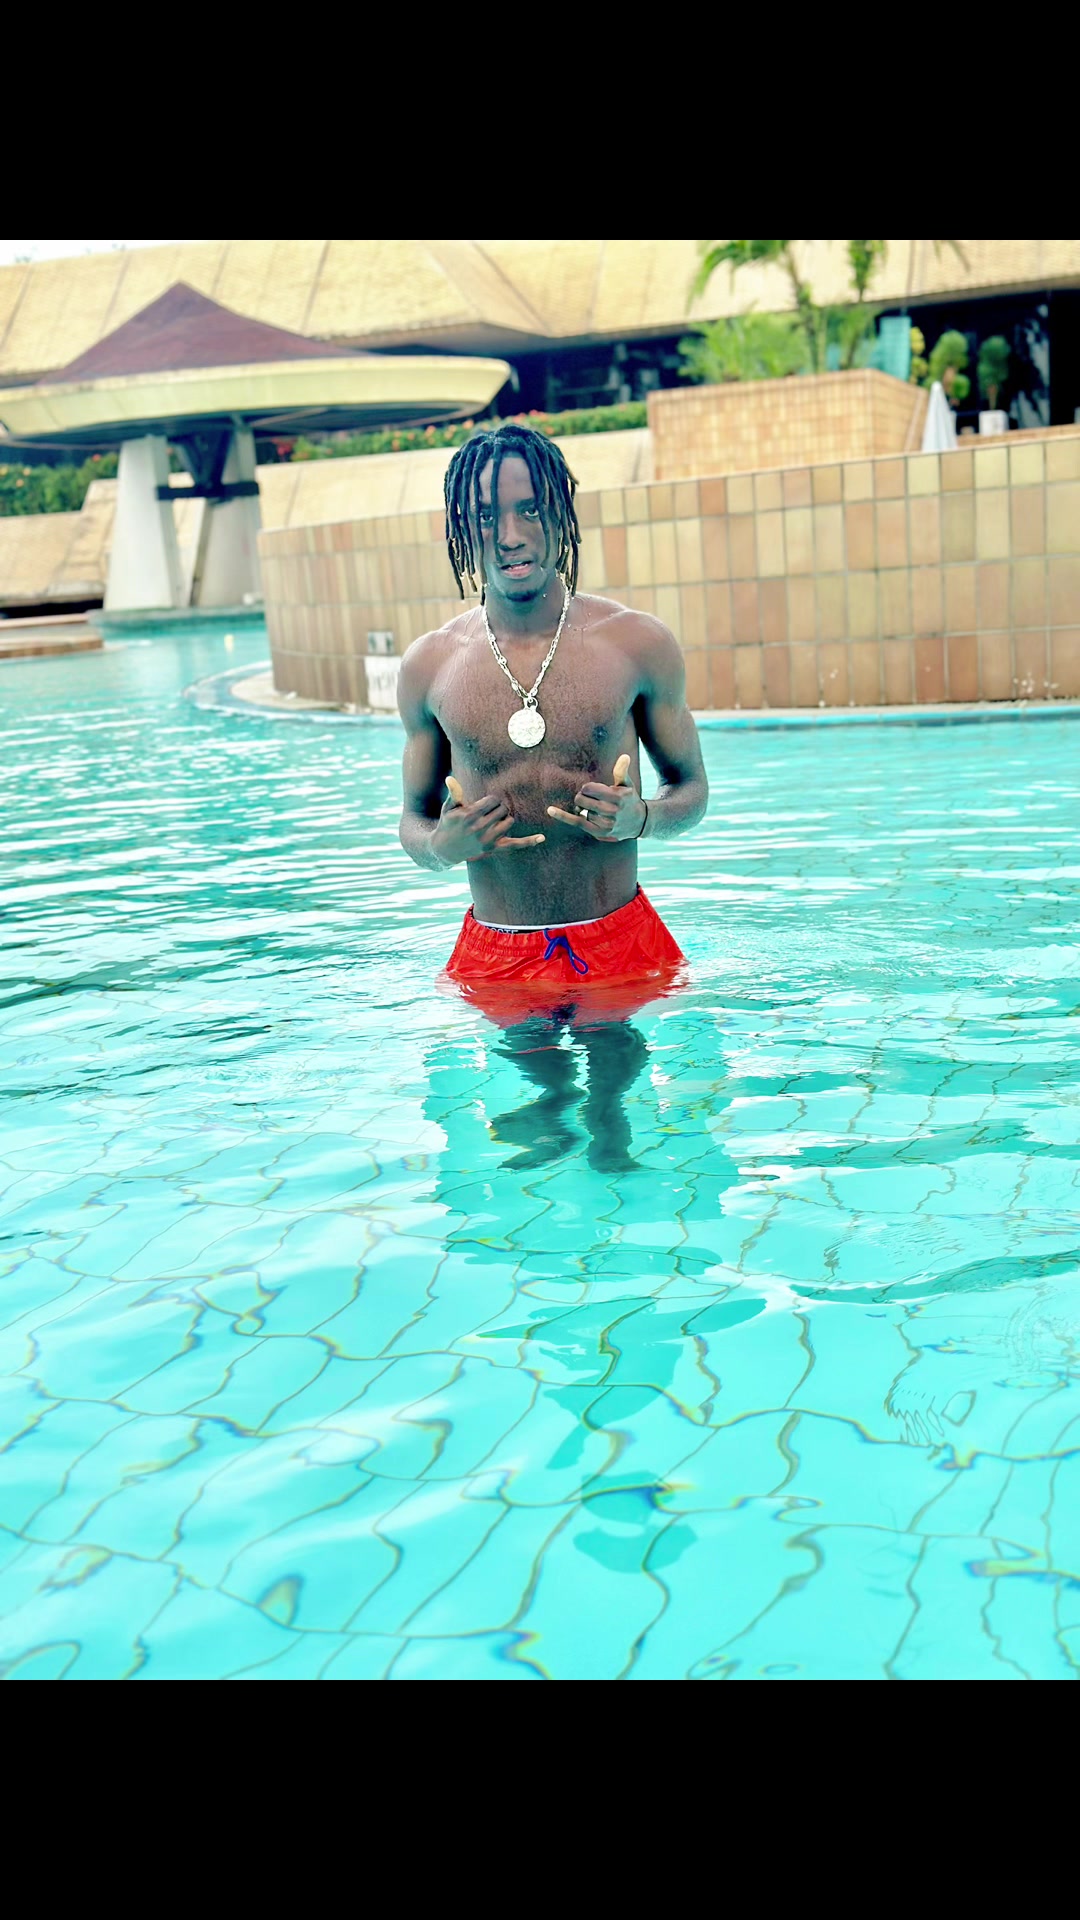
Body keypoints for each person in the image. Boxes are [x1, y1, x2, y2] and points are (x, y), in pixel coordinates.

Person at [397, 422, 708, 1168]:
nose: (510, 535)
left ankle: (613, 1144)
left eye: (529, 509)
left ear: (560, 512)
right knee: (541, 1118)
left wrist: (643, 818)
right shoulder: (431, 666)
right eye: (486, 517)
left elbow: (693, 791)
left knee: (612, 1124)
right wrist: (443, 845)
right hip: (498, 947)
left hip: (615, 936)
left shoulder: (635, 645)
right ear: (462, 528)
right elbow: (411, 823)